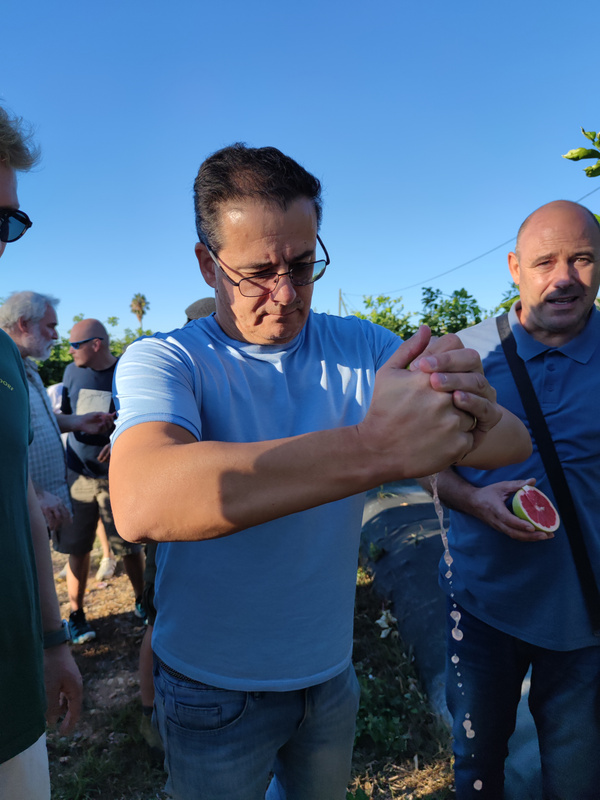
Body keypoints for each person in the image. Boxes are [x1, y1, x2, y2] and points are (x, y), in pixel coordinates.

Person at [109, 143, 531, 800]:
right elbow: (143, 499)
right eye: (258, 272)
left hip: (328, 674)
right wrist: (374, 449)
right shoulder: (167, 362)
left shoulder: (361, 347)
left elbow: (507, 443)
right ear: (206, 265)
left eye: (303, 265)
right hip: (211, 686)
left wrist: (473, 403)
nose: (285, 293)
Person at [429, 200, 600, 799]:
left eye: (581, 259)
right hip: (481, 608)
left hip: (585, 619)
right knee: (476, 772)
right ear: (513, 267)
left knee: (577, 781)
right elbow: (426, 466)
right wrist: (472, 501)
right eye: (544, 261)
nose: (563, 278)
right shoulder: (462, 357)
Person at [0, 106, 82, 800]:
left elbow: (15, 493)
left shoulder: (4, 361)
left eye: (6, 223)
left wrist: (53, 641)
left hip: (12, 705)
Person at [138, 296, 216, 756]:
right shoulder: (174, 367)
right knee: (159, 616)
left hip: (200, 523)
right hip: (172, 522)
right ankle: (151, 712)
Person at [59, 318, 145, 644]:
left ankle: (141, 602)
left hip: (116, 475)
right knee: (77, 548)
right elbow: (65, 417)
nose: (69, 351)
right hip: (78, 473)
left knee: (128, 545)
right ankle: (76, 615)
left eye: (75, 345)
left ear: (96, 345)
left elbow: (141, 418)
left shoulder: (128, 371)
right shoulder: (71, 372)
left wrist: (121, 435)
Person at [0, 291, 114, 534]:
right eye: (50, 326)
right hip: (23, 510)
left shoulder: (26, 365)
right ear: (23, 324)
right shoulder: (3, 371)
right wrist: (37, 493)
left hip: (41, 510)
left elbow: (33, 426)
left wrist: (79, 422)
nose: (55, 335)